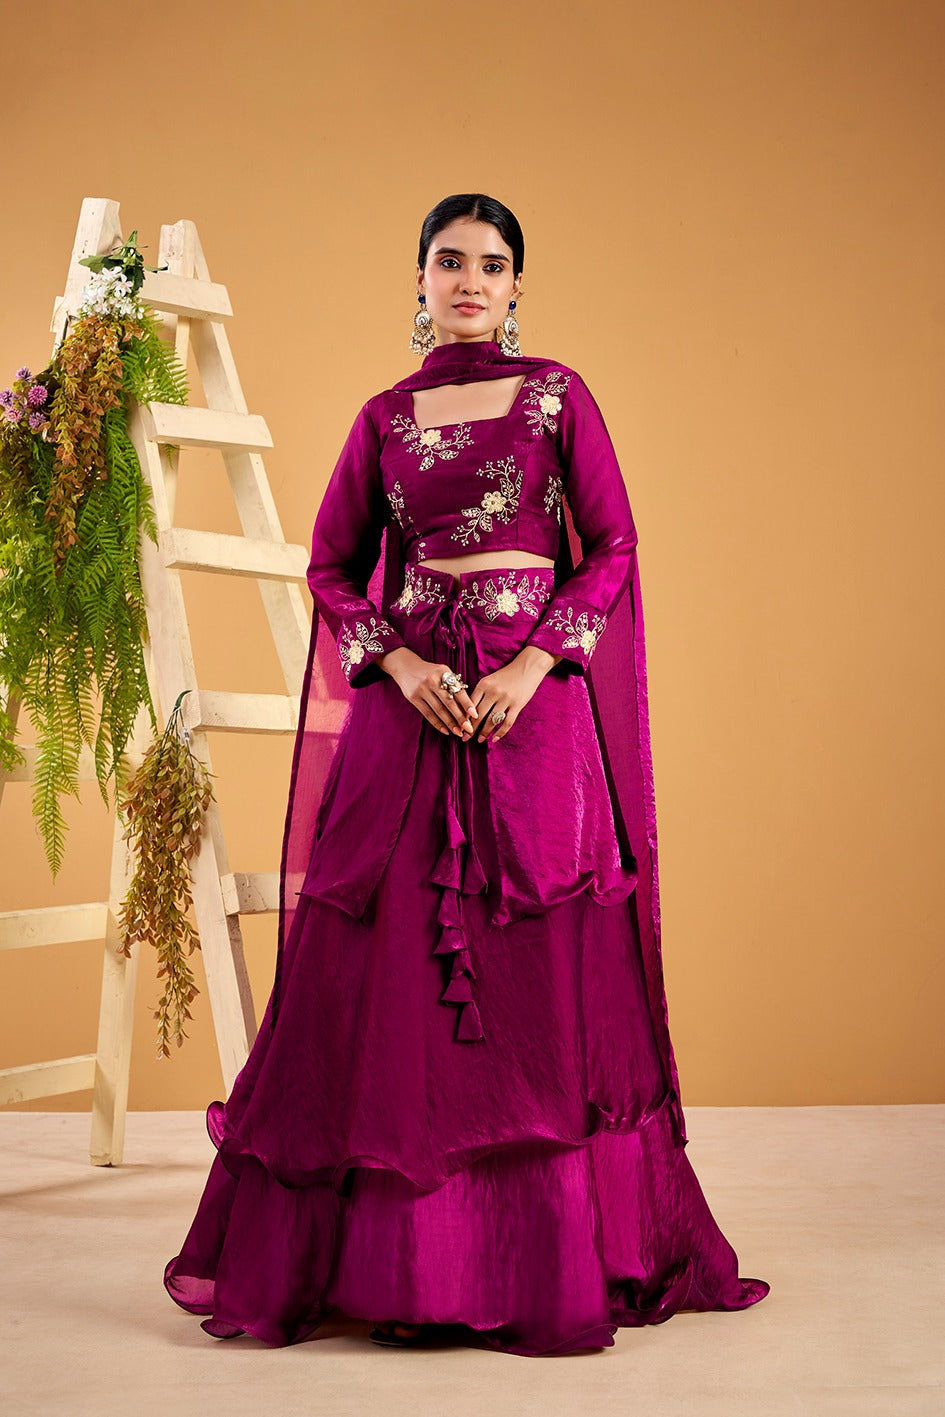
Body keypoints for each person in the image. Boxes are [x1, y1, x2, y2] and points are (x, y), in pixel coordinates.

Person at [163, 192, 770, 1357]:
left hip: (528, 712)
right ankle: (404, 1266)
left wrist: (535, 664)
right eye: (451, 262)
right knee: (387, 966)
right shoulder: (384, 418)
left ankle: (539, 1261)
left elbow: (614, 545)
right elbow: (331, 563)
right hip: (409, 710)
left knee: (534, 965)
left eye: (493, 265)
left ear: (516, 286)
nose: (471, 281)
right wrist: (396, 661)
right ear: (421, 280)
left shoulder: (557, 396)